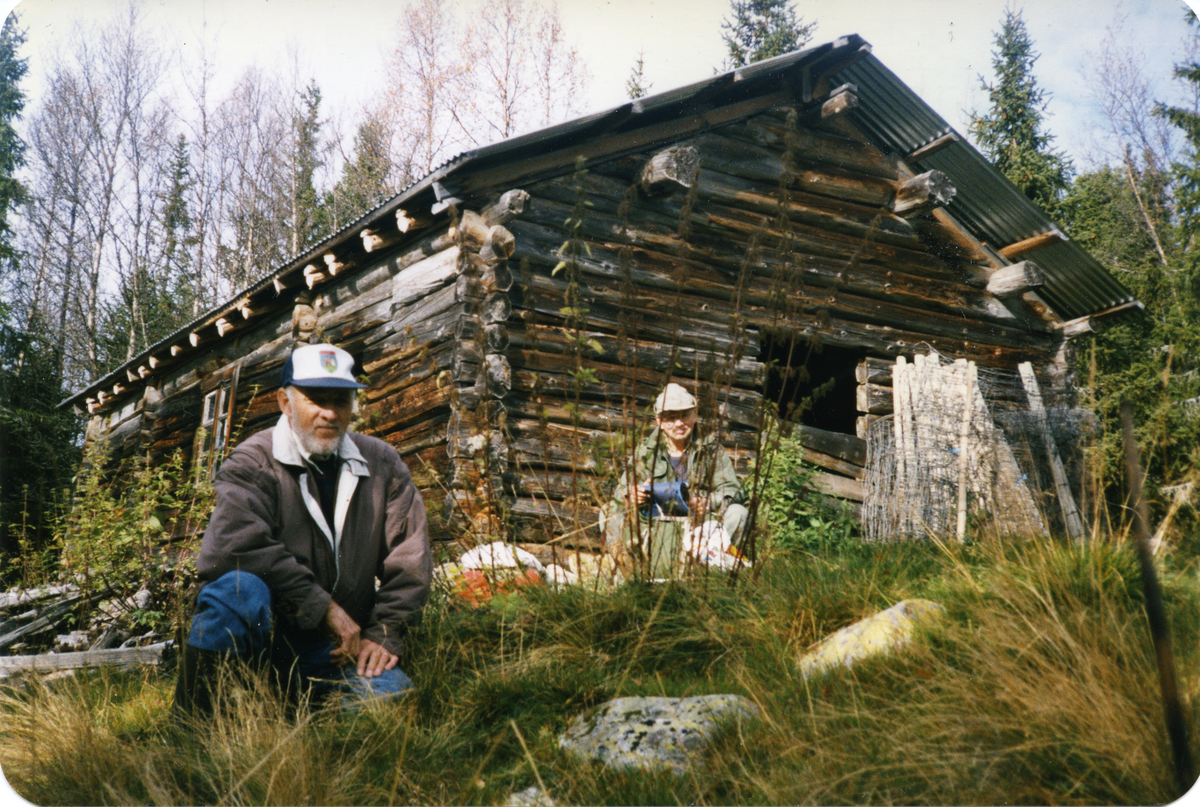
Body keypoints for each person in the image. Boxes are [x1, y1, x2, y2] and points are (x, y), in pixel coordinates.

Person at [173, 343, 433, 715]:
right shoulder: (253, 462)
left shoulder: (381, 463)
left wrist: (386, 633)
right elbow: (229, 551)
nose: (329, 413)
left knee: (391, 705)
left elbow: (410, 557)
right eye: (315, 399)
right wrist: (322, 606)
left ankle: (291, 711)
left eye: (341, 401)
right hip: (261, 644)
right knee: (237, 589)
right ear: (284, 401)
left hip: (335, 651)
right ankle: (190, 729)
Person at [605, 383, 747, 575]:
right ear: (659, 421)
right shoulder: (646, 452)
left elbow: (733, 490)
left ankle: (712, 573)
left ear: (695, 415)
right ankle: (632, 576)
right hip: (656, 524)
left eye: (685, 416)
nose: (679, 423)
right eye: (671, 418)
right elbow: (620, 492)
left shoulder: (711, 449)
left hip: (701, 525)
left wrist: (708, 503)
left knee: (738, 513)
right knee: (610, 512)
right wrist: (632, 494)